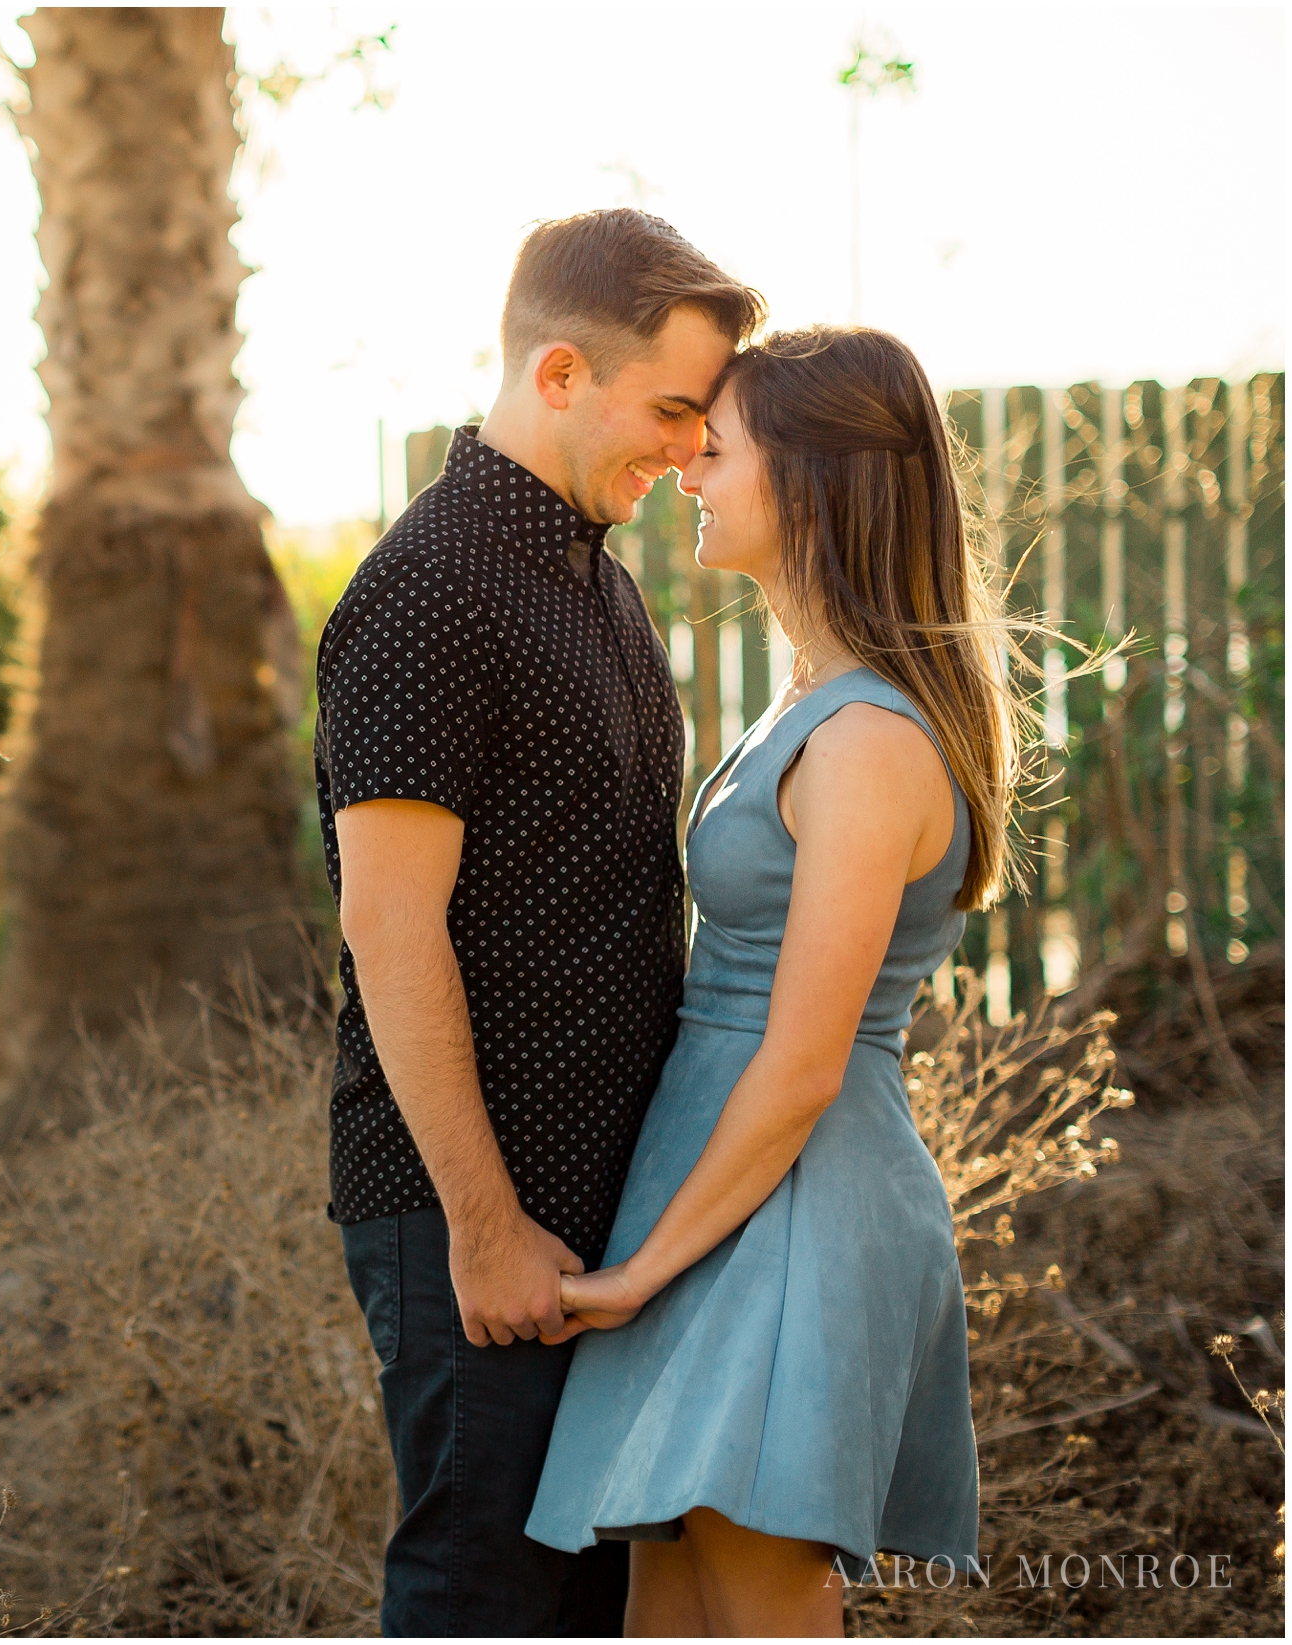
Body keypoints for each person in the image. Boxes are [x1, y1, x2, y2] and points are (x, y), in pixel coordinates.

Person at [312, 208, 763, 1636]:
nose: (693, 451)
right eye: (674, 409)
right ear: (559, 373)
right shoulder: (429, 591)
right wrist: (487, 1221)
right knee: (483, 1595)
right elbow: (391, 928)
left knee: (579, 1602)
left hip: (604, 1214)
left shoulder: (602, 585)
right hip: (475, 1210)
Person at [524, 325, 1006, 1636]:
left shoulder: (865, 741)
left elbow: (804, 1060)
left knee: (758, 1597)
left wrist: (639, 1274)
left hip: (793, 1210)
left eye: (715, 446)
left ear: (808, 480)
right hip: (720, 1193)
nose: (687, 466)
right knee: (666, 1611)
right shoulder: (816, 701)